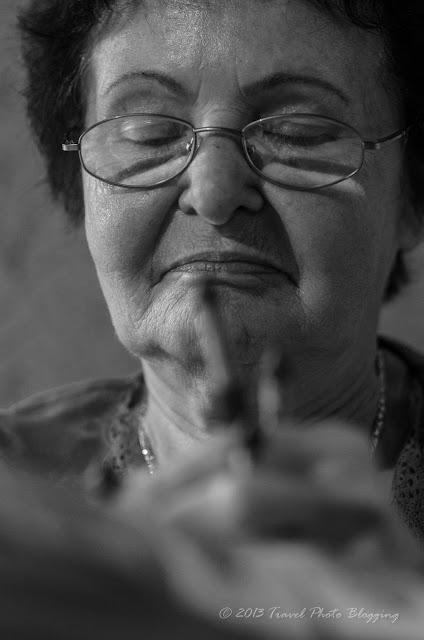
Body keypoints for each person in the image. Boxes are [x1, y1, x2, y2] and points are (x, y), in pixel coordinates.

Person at [2, 0, 424, 548]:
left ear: (413, 194)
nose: (214, 193)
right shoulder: (15, 498)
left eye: (296, 131)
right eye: (150, 133)